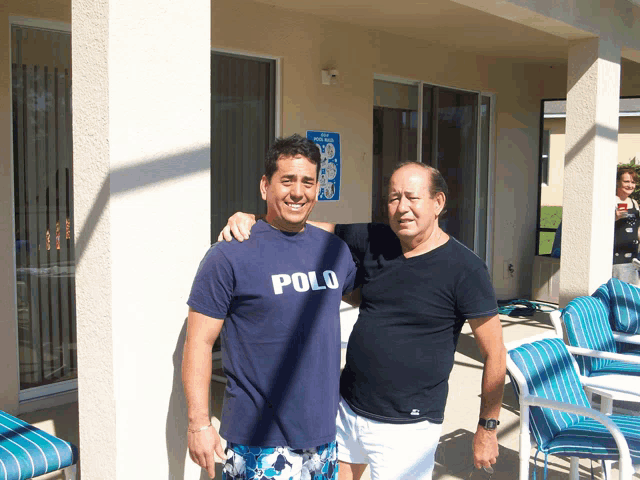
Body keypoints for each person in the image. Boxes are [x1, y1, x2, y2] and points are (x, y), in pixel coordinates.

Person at [219, 162, 507, 480]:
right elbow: (310, 230)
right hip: (348, 410)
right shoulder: (376, 238)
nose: (402, 208)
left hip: (407, 427)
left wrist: (488, 427)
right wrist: (256, 220)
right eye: (394, 198)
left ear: (437, 203)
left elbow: (495, 352)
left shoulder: (465, 269)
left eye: (413, 198)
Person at [183, 134, 358, 480]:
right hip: (259, 440)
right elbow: (198, 342)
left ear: (318, 188)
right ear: (265, 186)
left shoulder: (335, 251)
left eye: (308, 182)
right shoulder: (229, 255)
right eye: (287, 180)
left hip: (323, 434)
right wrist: (199, 423)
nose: (298, 192)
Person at [613, 166, 640, 285]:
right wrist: (615, 217)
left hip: (633, 258)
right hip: (617, 258)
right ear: (618, 182)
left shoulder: (634, 203)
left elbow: (637, 229)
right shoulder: (611, 200)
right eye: (626, 181)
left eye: (633, 182)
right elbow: (600, 225)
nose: (630, 185)